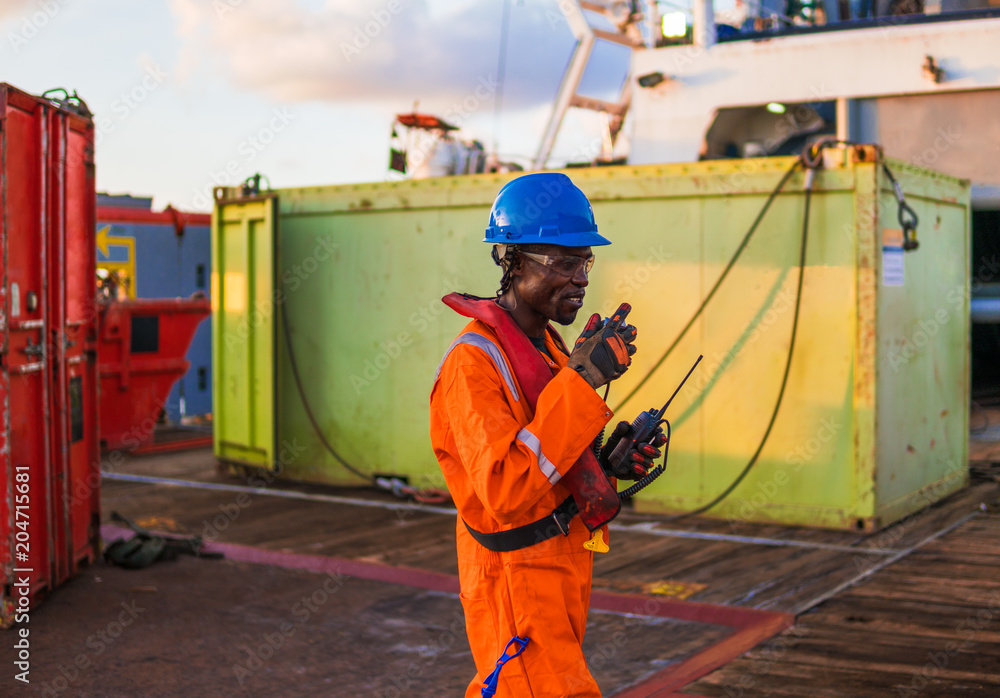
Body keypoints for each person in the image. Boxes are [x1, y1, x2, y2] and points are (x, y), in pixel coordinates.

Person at [430, 172, 667, 697]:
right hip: (515, 581)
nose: (580, 277)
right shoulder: (473, 363)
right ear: (512, 261)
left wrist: (607, 466)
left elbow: (547, 456)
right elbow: (505, 489)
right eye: (562, 263)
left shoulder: (551, 349)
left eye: (584, 261)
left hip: (557, 569)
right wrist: (583, 385)